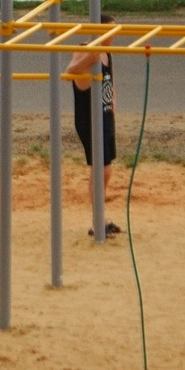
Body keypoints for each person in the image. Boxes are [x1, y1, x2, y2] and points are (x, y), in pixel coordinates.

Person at [65, 14, 122, 237]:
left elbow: (110, 79)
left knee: (104, 171)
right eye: (110, 30)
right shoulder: (86, 48)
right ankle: (97, 220)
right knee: (103, 169)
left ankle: (101, 217)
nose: (114, 35)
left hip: (105, 114)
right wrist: (88, 60)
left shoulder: (107, 53)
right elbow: (71, 70)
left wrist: (113, 100)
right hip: (89, 117)